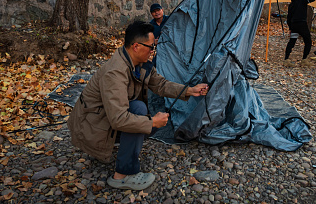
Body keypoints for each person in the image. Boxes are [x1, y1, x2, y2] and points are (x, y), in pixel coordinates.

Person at [67, 21, 209, 191]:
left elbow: (161, 85)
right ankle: (122, 175)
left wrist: (190, 90)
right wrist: (151, 122)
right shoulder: (115, 72)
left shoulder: (139, 63)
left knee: (142, 116)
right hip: (91, 129)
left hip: (105, 120)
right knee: (140, 112)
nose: (152, 51)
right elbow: (119, 119)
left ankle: (122, 148)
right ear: (136, 46)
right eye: (150, 47)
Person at [284, 0, 316, 67]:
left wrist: (290, 28)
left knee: (292, 42)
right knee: (308, 41)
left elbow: (289, 17)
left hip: (294, 25)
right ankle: (304, 60)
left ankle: (286, 59)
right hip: (301, 23)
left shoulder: (291, 4)